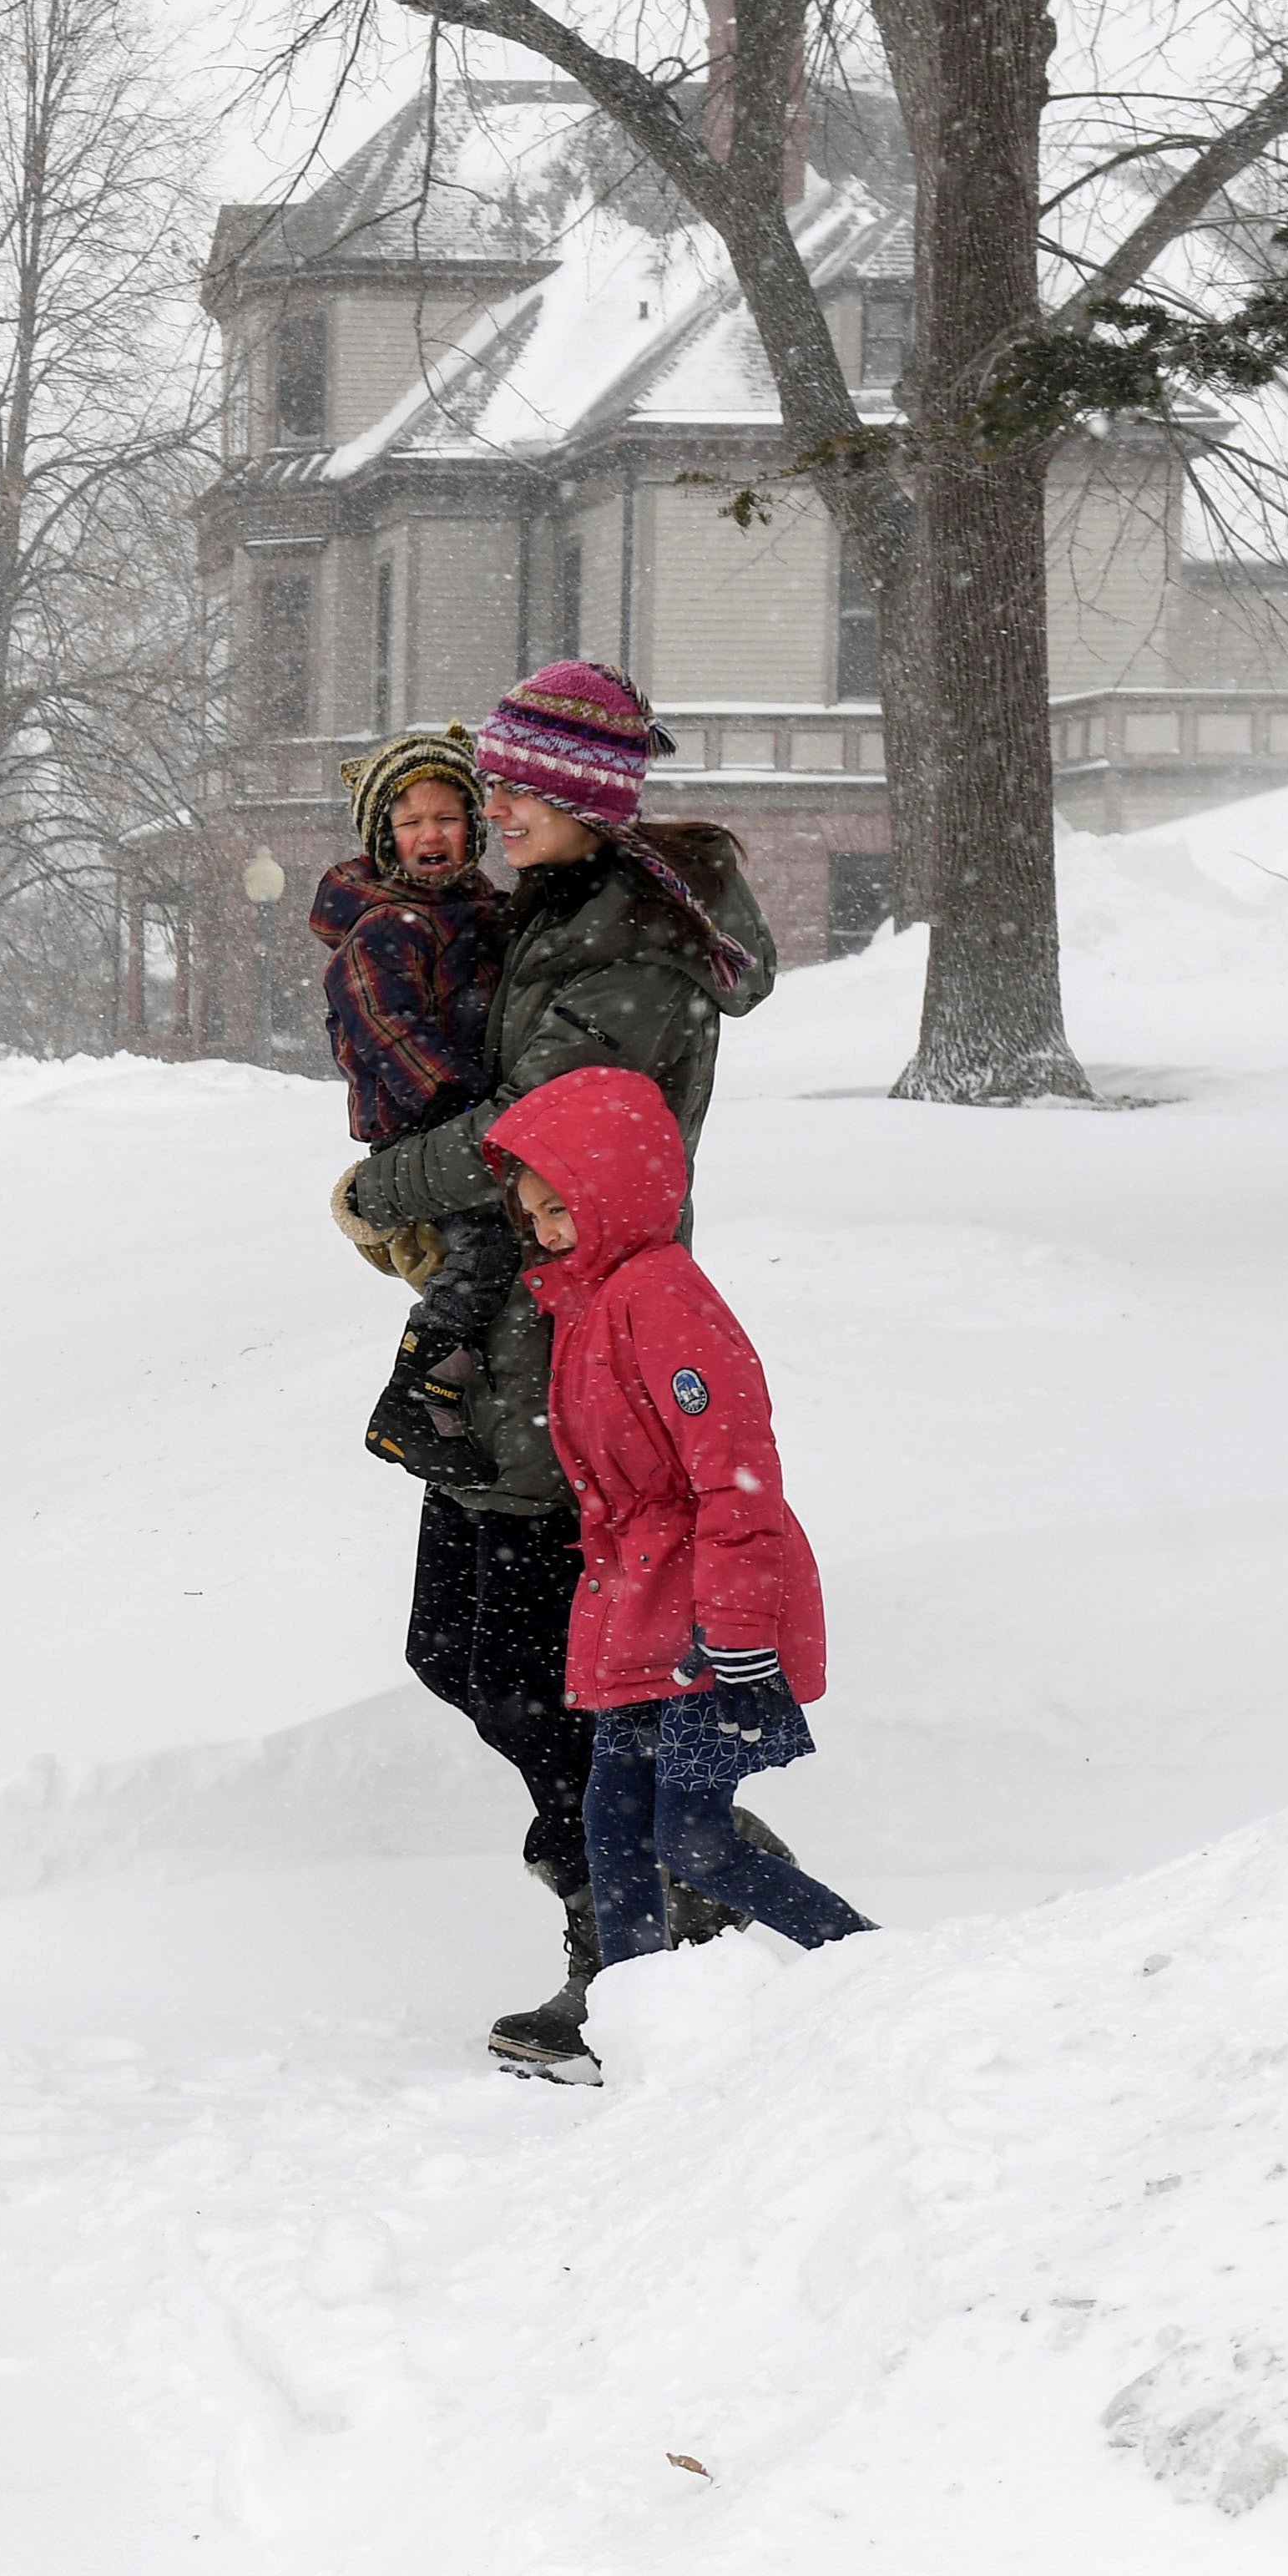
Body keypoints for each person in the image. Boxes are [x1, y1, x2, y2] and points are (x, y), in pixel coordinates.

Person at [335, 661, 780, 2080]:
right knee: (456, 1647)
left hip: (575, 1346)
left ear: (581, 801)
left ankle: (644, 1918)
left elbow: (546, 1126)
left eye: (519, 788)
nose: (489, 806)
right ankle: (678, 1873)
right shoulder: (546, 914)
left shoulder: (626, 947)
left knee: (537, 1663)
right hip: (504, 1334)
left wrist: (382, 1183)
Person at [480, 1061, 873, 2083]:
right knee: (613, 1826)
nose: (549, 1230)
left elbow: (736, 1475)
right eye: (535, 1214)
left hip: (708, 1621)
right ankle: (643, 2037)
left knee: (693, 1840)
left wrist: (739, 1626)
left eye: (563, 1206)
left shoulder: (662, 1298)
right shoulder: (588, 1302)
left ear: (617, 1189)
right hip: (637, 1611)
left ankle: (882, 1973)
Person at [302, 724, 515, 1487]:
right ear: (384, 838)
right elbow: (389, 1030)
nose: (431, 834)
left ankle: (442, 1395)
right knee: (484, 1251)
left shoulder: (482, 913)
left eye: (447, 817)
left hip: (468, 1117)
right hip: (421, 1126)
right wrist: (462, 1102)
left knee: (497, 1262)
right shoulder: (385, 929)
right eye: (410, 821)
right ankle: (410, 1398)